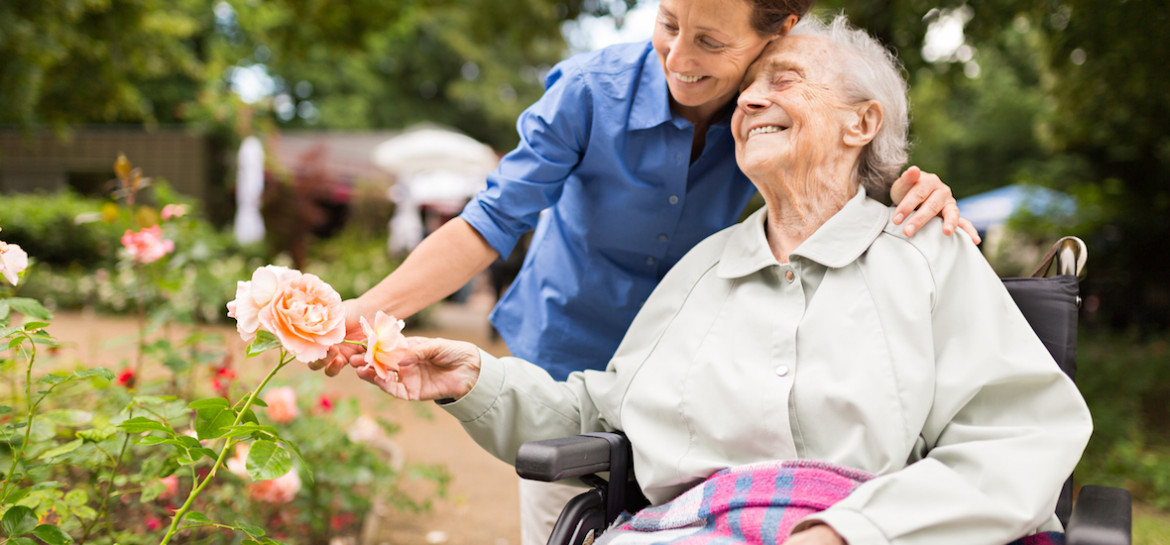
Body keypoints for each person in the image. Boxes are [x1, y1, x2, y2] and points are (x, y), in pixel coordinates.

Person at [342, 13, 1092, 545]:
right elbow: (605, 415)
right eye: (748, 91)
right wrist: (472, 376)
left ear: (860, 124)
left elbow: (1022, 435)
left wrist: (849, 529)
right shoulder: (701, 268)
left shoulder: (928, 254)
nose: (751, 100)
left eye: (783, 79)